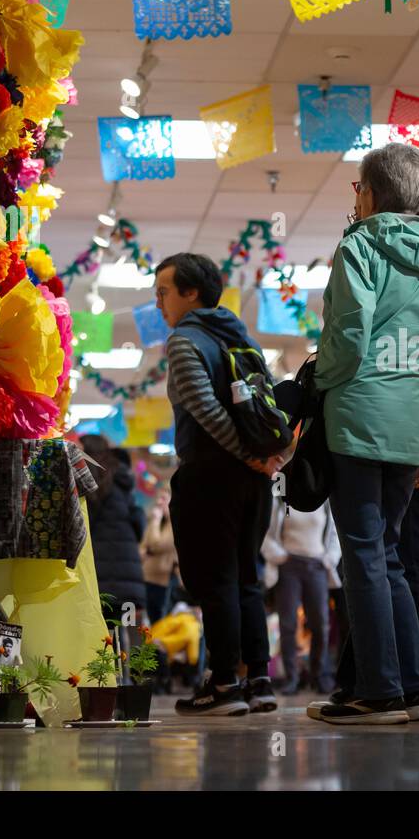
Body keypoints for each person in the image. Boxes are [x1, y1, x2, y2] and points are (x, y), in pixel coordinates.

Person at [311, 143, 419, 725]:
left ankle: (377, 690)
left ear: (371, 192)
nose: (355, 197)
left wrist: (316, 383)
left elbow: (349, 338)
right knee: (390, 555)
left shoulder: (361, 244)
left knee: (363, 557)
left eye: (357, 186)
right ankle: (417, 688)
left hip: (359, 418)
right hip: (411, 427)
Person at [156, 252, 287, 717]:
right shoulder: (241, 337)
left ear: (191, 293)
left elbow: (206, 410)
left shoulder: (185, 341)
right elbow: (272, 404)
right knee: (247, 577)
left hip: (212, 474)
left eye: (164, 293)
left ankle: (224, 684)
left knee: (216, 581)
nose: (159, 304)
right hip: (253, 480)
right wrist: (266, 457)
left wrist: (250, 455)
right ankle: (259, 680)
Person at [261, 500, 341, 694]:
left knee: (320, 624)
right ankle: (291, 678)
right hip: (289, 566)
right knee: (287, 625)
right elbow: (267, 534)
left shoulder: (324, 501)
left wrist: (328, 558)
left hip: (317, 566)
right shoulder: (281, 500)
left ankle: (318, 675)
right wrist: (281, 556)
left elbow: (334, 535)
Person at [80, 435, 147, 626]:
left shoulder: (83, 487)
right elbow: (139, 525)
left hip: (96, 578)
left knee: (99, 637)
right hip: (128, 578)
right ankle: (123, 657)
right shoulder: (122, 480)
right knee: (124, 634)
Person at [141, 483, 178, 625]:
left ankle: (159, 648)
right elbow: (144, 544)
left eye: (163, 499)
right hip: (148, 578)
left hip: (164, 581)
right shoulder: (157, 522)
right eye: (158, 498)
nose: (158, 502)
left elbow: (157, 545)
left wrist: (155, 521)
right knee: (151, 621)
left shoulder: (173, 522)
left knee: (161, 622)